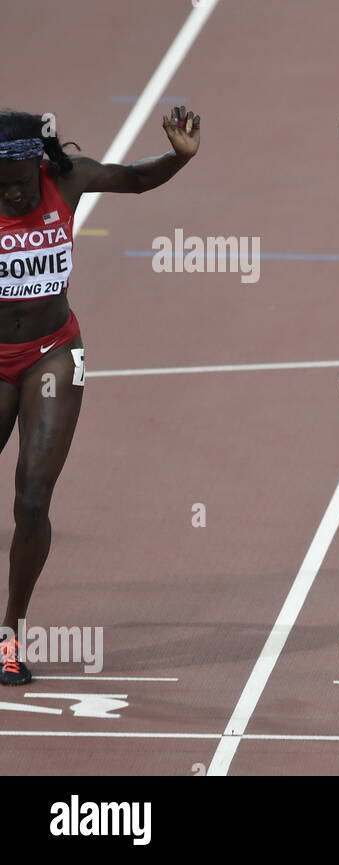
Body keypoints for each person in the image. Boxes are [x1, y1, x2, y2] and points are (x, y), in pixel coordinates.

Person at [0, 106, 200, 685]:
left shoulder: (67, 178)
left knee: (33, 500)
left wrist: (178, 158)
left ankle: (10, 631)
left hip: (51, 351)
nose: (13, 198)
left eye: (18, 187)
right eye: (2, 189)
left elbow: (134, 178)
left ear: (38, 165)